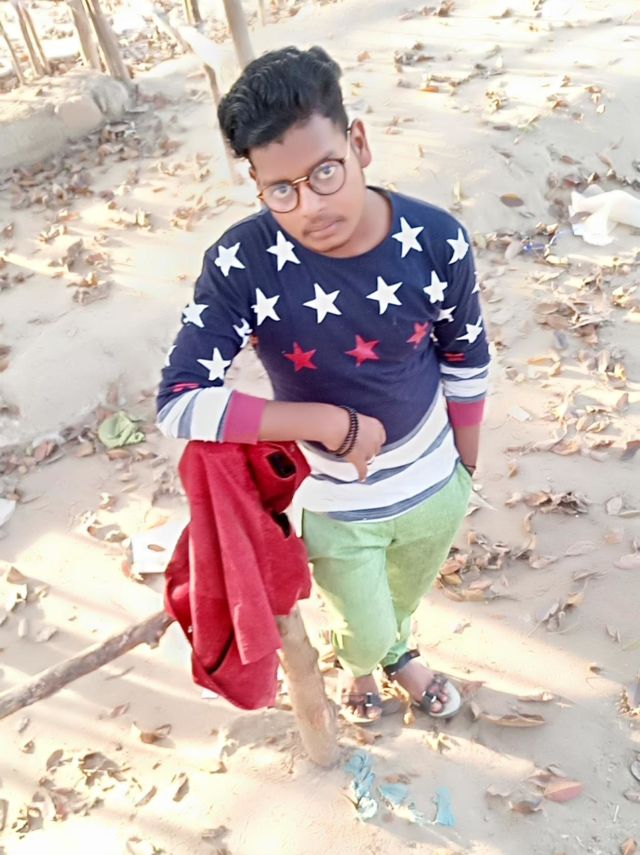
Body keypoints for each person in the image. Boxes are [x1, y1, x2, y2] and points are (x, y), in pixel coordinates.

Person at [157, 46, 490, 724]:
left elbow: (466, 357)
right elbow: (180, 404)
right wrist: (324, 423)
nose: (310, 206)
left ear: (358, 142)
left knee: (403, 596)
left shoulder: (436, 239)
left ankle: (395, 653)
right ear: (256, 183)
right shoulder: (243, 262)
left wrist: (466, 467)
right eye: (281, 190)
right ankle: (363, 660)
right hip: (336, 503)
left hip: (437, 485)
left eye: (326, 172)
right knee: (359, 622)